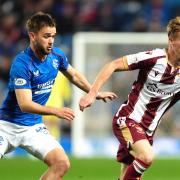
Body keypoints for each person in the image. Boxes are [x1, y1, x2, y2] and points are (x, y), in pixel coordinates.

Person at [0, 11, 117, 180]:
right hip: (7, 126)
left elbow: (74, 75)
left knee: (61, 163)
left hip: (33, 128)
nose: (51, 41)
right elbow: (24, 104)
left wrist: (94, 93)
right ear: (32, 36)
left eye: (53, 36)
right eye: (46, 36)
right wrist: (56, 111)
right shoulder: (22, 63)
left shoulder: (56, 56)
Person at [79, 16, 180, 180]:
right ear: (171, 40)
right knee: (147, 157)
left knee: (128, 176)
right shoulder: (155, 58)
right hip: (127, 120)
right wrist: (92, 93)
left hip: (147, 132)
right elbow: (113, 65)